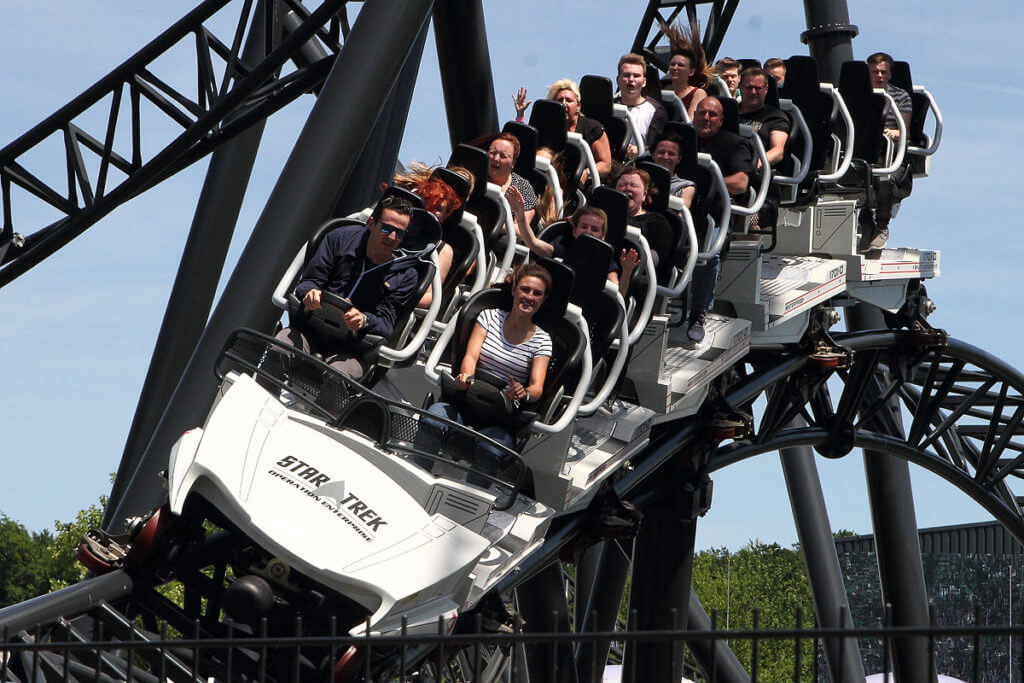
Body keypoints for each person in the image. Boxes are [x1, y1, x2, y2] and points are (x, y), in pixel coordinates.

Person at [276, 195, 419, 380]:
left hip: (353, 349)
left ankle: (326, 409)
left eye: (399, 233)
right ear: (371, 223)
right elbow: (308, 282)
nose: (392, 237)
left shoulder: (406, 276)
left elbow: (386, 324)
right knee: (280, 348)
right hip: (309, 329)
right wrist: (310, 293)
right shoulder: (339, 239)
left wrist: (364, 320)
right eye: (386, 228)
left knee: (339, 376)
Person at [426, 263, 553, 456]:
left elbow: (537, 388)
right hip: (467, 398)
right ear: (514, 290)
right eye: (525, 290)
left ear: (543, 300)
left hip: (500, 417)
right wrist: (466, 377)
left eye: (537, 293)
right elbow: (471, 356)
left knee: (491, 449)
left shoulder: (542, 340)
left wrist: (523, 392)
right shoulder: (489, 317)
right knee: (434, 418)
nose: (529, 297)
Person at [688, 96, 755, 343]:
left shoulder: (734, 144)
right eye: (702, 113)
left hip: (713, 214)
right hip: (681, 211)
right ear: (694, 114)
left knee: (708, 253)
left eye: (712, 115)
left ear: (721, 119)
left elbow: (741, 183)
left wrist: (705, 183)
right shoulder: (682, 141)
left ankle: (698, 313)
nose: (706, 118)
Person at [393, 163, 474, 308]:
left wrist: (396, 296)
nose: (431, 210)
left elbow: (430, 297)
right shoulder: (394, 227)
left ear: (446, 215)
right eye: (428, 203)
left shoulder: (443, 250)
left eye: (438, 208)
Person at [859, 52, 914, 252]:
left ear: (890, 74)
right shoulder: (859, 95)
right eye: (875, 72)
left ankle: (882, 225)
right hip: (863, 148)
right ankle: (864, 220)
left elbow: (905, 131)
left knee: (884, 179)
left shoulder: (901, 96)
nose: (879, 76)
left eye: (883, 72)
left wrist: (892, 132)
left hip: (889, 149)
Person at [534, 205, 639, 298]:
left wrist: (627, 271)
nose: (588, 232)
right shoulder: (563, 245)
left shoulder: (605, 259)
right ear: (574, 232)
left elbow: (619, 293)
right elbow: (535, 244)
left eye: (594, 229)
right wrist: (522, 221)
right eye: (583, 227)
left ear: (602, 237)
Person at [613, 53, 667, 157]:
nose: (631, 80)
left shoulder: (656, 110)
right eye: (626, 75)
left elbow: (657, 146)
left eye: (636, 76)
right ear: (618, 80)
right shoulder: (610, 107)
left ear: (644, 82)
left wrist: (638, 150)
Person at [737, 67, 790, 168]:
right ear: (740, 87)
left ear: (766, 89)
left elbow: (778, 151)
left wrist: (755, 165)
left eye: (758, 88)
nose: (753, 92)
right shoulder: (729, 113)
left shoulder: (775, 117)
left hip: (752, 168)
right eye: (749, 87)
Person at [659, 20, 712, 120]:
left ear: (691, 72)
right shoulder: (662, 89)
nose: (675, 68)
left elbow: (691, 122)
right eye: (672, 64)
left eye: (680, 65)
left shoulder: (697, 93)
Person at [650, 132, 696, 207]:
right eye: (661, 152)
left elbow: (681, 216)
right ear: (653, 155)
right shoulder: (640, 179)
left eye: (671, 154)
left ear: (679, 159)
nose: (665, 157)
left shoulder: (685, 187)